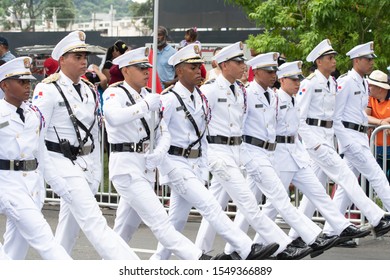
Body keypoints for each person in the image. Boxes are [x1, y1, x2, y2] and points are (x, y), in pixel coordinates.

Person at [223, 54, 364, 259]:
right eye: (270, 71)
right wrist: (244, 157)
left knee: (261, 205)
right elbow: (240, 128)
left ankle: (242, 249)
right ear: (258, 72)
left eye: (275, 71)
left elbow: (290, 128)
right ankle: (303, 239)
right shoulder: (248, 95)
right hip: (259, 154)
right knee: (266, 204)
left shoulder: (274, 96)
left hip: (279, 154)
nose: (274, 75)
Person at [150, 43, 279, 261]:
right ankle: (246, 248)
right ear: (179, 71)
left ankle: (157, 261)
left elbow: (203, 136)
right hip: (175, 164)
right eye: (192, 68)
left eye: (200, 66)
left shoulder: (199, 97)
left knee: (176, 221)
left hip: (193, 164)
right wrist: (164, 169)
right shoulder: (169, 98)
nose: (199, 71)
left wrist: (202, 165)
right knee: (210, 206)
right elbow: (159, 135)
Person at [195, 42, 313, 260]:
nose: (243, 66)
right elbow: (198, 122)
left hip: (238, 151)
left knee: (214, 205)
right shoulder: (210, 90)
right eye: (238, 62)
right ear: (224, 65)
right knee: (248, 201)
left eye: (243, 62)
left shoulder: (240, 91)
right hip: (219, 151)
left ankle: (199, 252)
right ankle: (281, 246)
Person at [32, 30, 140, 260]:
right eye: (78, 57)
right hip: (62, 164)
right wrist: (53, 179)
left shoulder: (89, 89)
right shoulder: (47, 90)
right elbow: (37, 139)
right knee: (95, 222)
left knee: (68, 229)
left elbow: (94, 135)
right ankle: (131, 267)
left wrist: (95, 170)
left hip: (85, 164)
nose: (84, 62)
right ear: (62, 59)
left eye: (85, 57)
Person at [103, 46, 216, 260]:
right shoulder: (115, 93)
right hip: (126, 167)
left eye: (147, 67)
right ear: (126, 70)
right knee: (160, 220)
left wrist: (161, 151)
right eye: (140, 68)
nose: (147, 71)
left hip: (145, 166)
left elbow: (163, 131)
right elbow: (114, 117)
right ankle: (199, 259)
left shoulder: (150, 95)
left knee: (123, 230)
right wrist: (144, 106)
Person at [293, 39, 390, 242]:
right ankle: (377, 217)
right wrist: (318, 143)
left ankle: (302, 234)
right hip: (324, 140)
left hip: (333, 138)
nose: (334, 61)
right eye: (330, 58)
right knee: (353, 177)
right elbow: (300, 118)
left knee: (316, 189)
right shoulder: (313, 83)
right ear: (319, 61)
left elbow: (334, 117)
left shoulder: (334, 82)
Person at [0, 57, 72, 259]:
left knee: (16, 247)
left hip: (32, 185)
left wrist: (57, 183)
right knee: (45, 240)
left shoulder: (33, 113)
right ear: (5, 85)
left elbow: (41, 153)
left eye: (28, 81)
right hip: (8, 184)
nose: (27, 86)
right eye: (21, 82)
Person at [328, 42, 390, 232]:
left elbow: (361, 115)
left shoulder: (363, 82)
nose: (371, 63)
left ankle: (331, 230)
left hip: (360, 136)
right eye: (368, 59)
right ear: (357, 60)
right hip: (351, 138)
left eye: (372, 59)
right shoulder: (346, 82)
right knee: (377, 176)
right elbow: (335, 116)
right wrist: (346, 143)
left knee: (346, 186)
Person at [366, 69, 390, 182]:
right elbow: (365, 116)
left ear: (380, 88)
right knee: (378, 180)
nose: (368, 87)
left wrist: (386, 120)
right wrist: (381, 123)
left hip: (388, 146)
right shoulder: (370, 98)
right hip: (376, 146)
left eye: (371, 85)